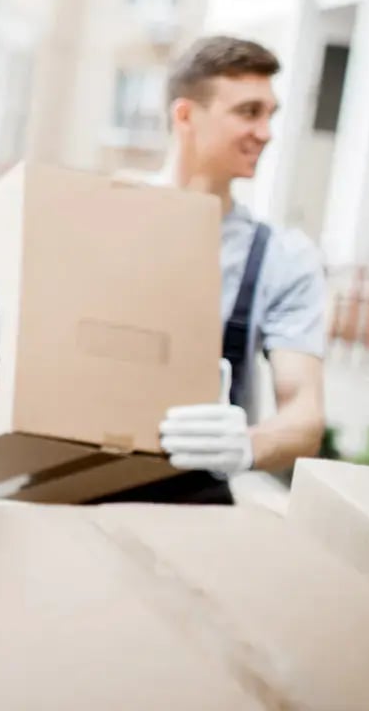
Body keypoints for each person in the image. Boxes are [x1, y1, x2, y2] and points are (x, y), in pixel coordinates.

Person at [101, 36, 326, 505]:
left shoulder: (282, 258)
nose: (265, 132)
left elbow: (305, 416)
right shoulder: (102, 216)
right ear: (185, 116)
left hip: (195, 506)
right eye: (248, 112)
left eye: (270, 114)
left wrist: (247, 445)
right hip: (70, 486)